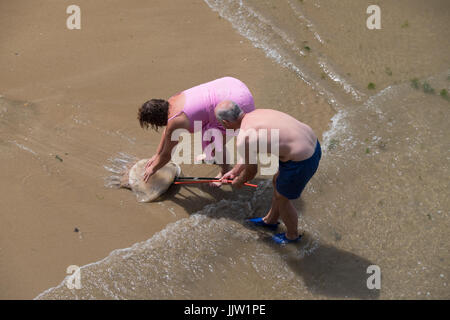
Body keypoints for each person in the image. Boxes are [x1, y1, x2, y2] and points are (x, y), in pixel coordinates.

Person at [216, 101, 322, 244]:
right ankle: (270, 220)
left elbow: (251, 171)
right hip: (313, 145)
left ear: (225, 122)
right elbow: (249, 152)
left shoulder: (243, 137)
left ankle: (292, 235)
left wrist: (238, 181)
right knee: (276, 182)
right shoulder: (258, 113)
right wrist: (235, 171)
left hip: (302, 160)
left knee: (283, 199)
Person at [138, 77, 255, 185]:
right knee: (209, 141)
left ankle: (225, 172)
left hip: (238, 103)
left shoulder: (175, 122)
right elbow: (166, 134)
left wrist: (152, 169)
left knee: (214, 146)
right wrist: (157, 154)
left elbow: (167, 155)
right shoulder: (172, 102)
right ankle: (212, 156)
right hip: (233, 85)